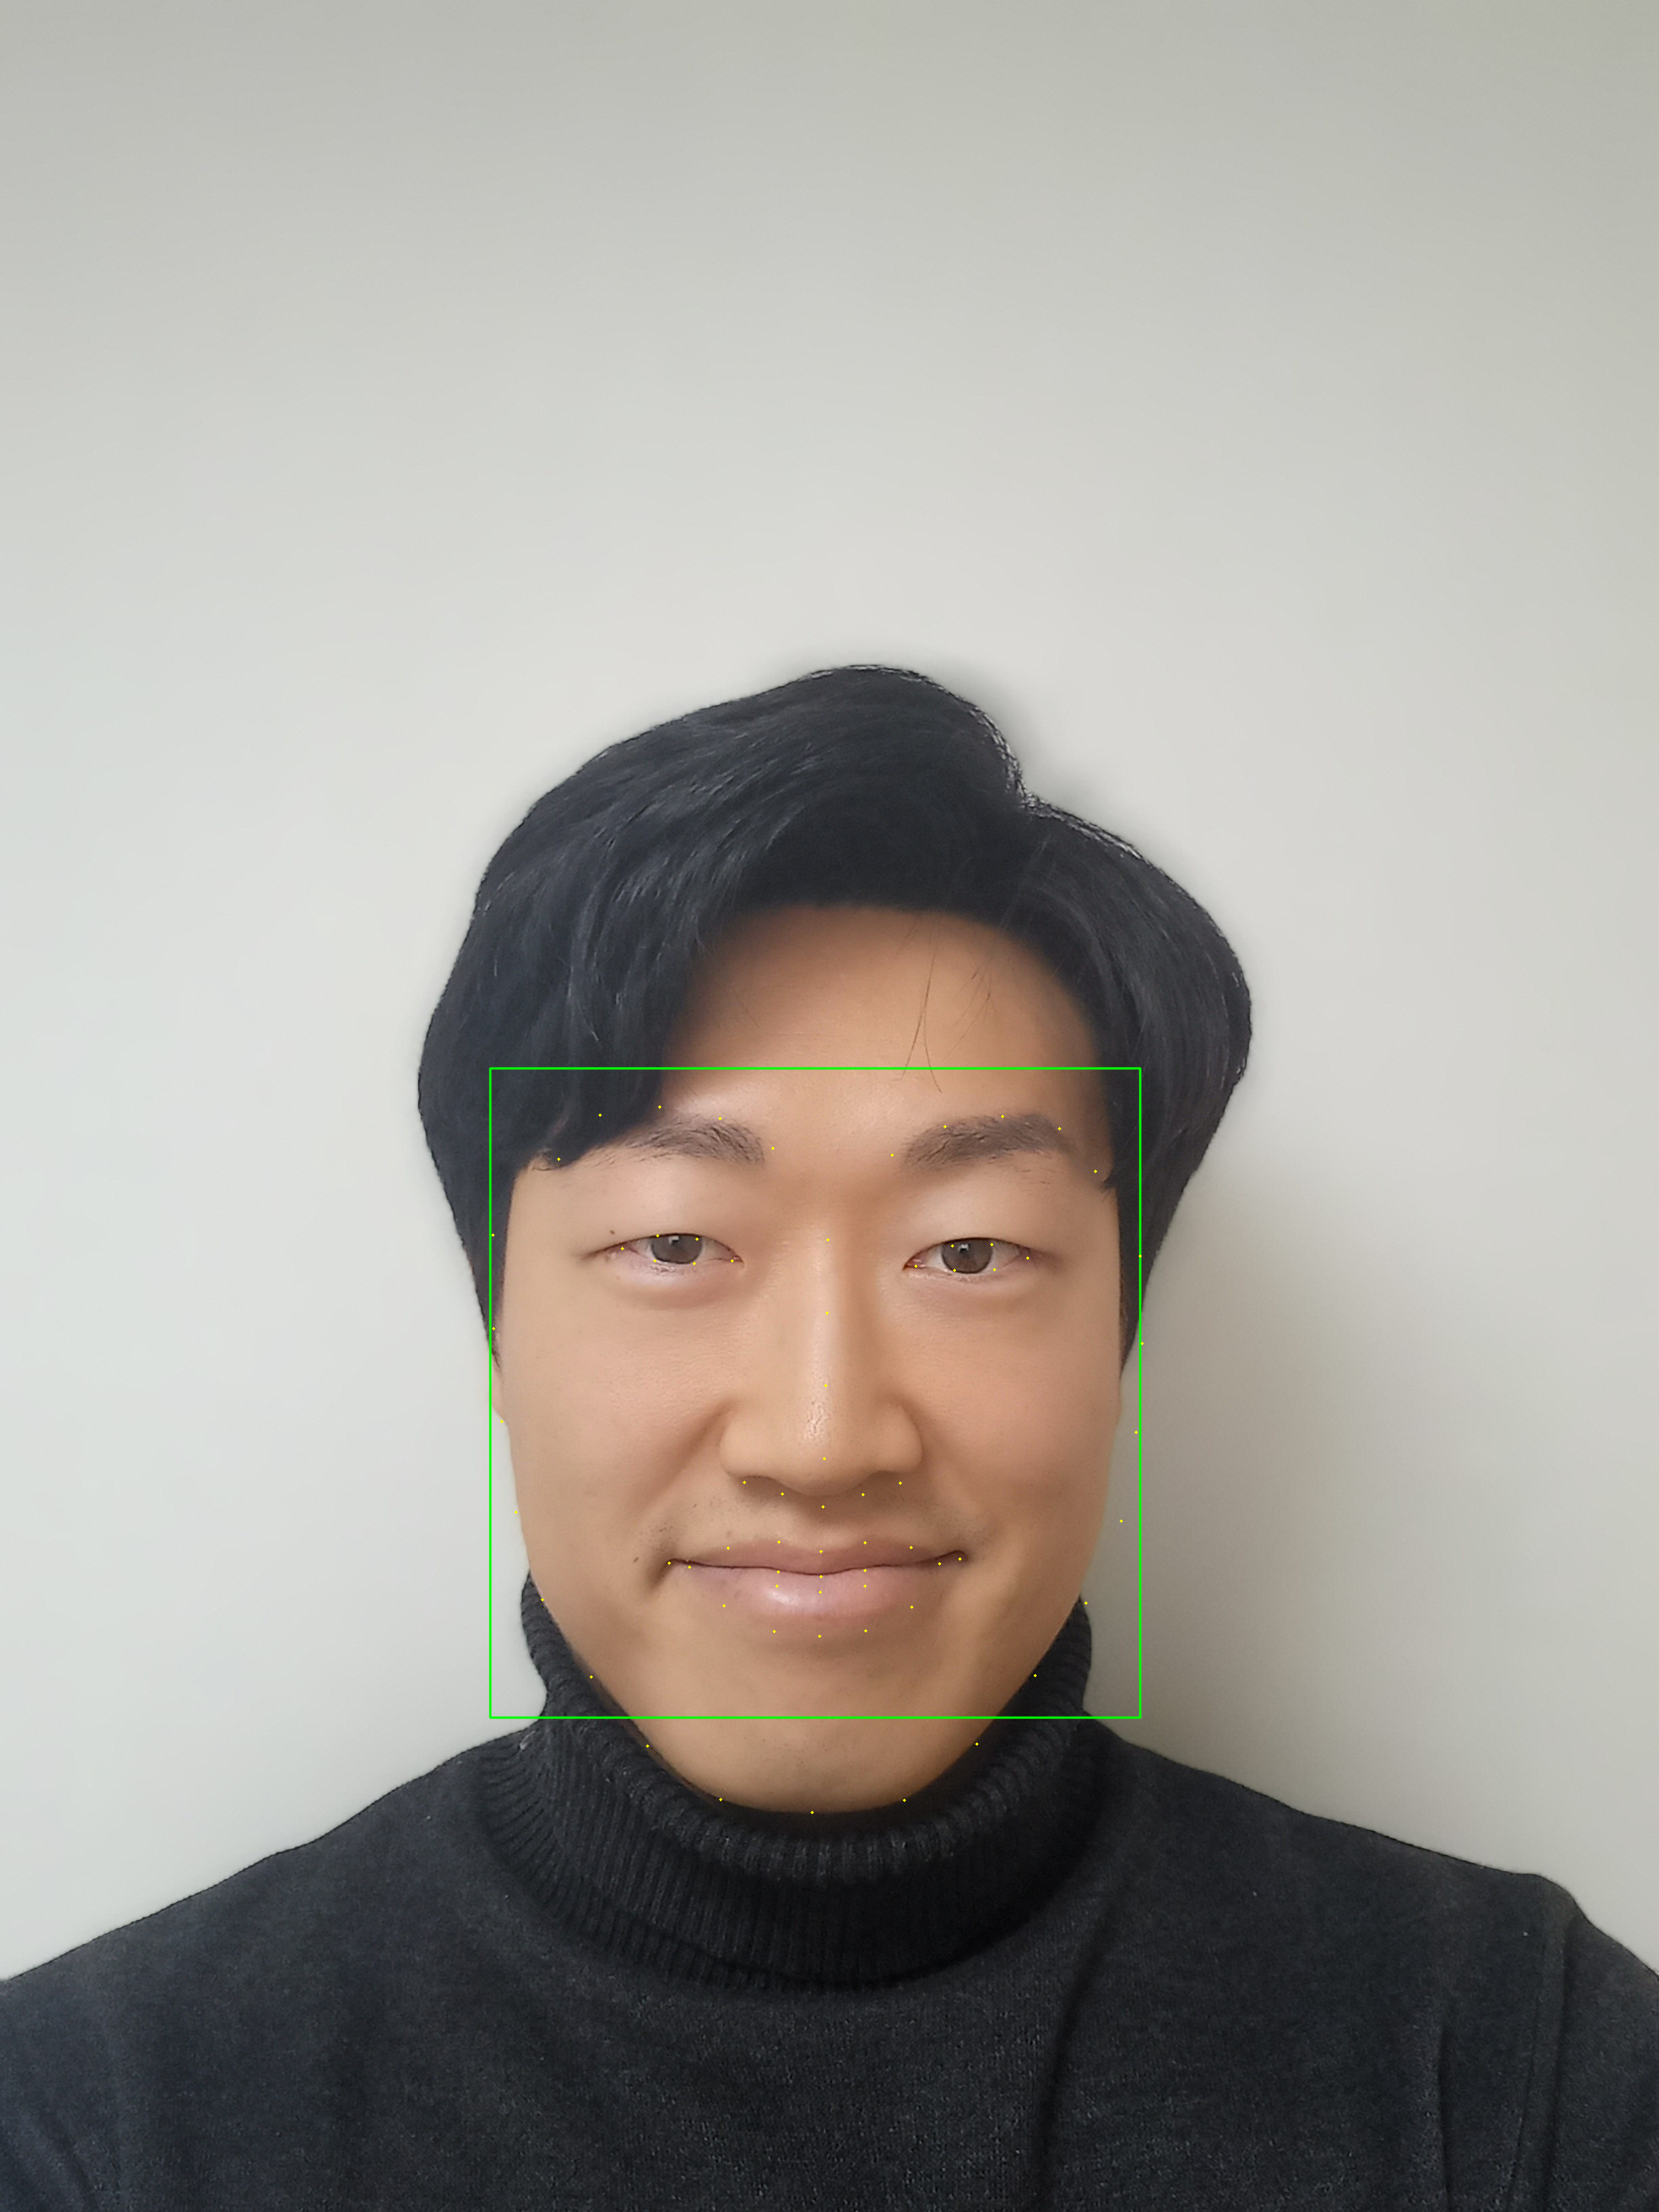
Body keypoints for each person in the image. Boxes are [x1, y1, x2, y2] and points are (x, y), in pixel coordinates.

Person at [3, 665, 1654, 2208]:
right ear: (502, 1336)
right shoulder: (102, 2121)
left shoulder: (1516, 2075)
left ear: (1122, 1339)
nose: (819, 1438)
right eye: (674, 1242)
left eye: (970, 1252)